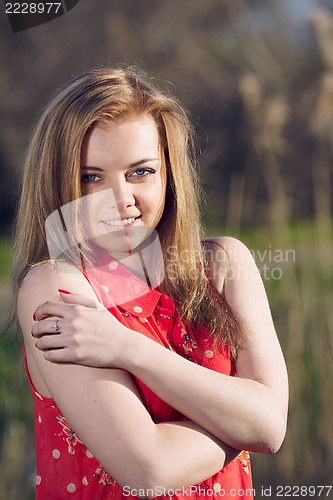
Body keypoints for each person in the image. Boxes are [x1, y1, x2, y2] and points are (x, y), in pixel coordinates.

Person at [11, 66, 288, 499]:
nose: (120, 199)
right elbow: (148, 471)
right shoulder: (56, 288)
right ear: (57, 179)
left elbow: (271, 427)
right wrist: (242, 422)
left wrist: (128, 348)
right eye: (91, 176)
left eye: (140, 172)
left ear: (169, 172)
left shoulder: (224, 264)